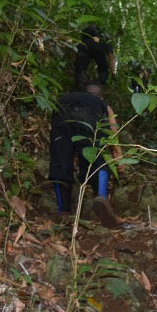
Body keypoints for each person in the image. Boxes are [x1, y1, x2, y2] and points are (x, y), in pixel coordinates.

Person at [48, 84, 123, 228]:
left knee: (60, 160)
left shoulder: (70, 97)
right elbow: (112, 126)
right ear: (101, 97)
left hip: (61, 108)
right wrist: (117, 154)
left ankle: (63, 211)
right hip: (88, 114)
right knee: (96, 158)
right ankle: (102, 201)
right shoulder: (99, 102)